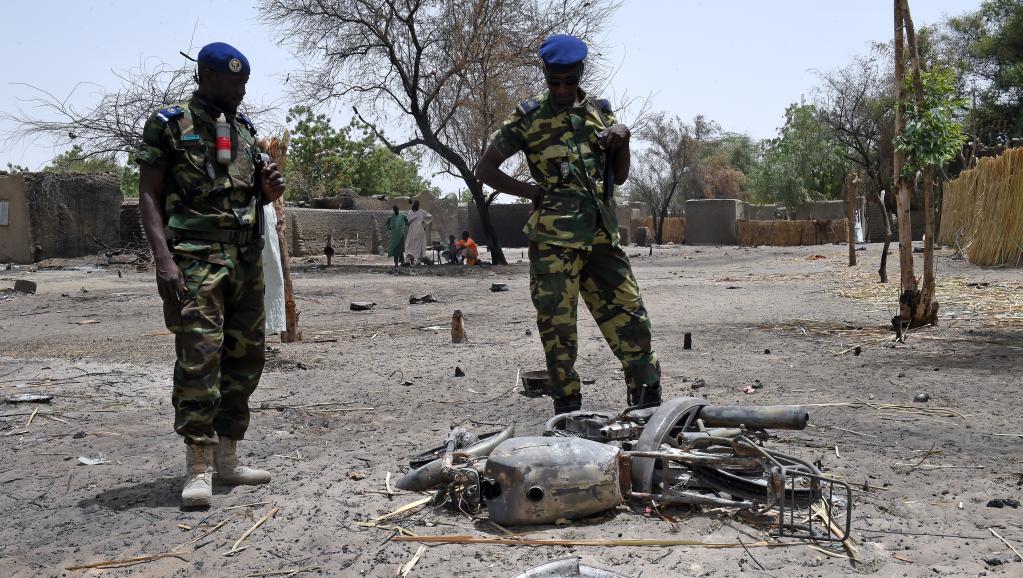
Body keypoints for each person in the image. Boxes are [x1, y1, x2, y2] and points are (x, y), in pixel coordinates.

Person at [475, 34, 661, 415]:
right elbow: (485, 169)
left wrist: (622, 137)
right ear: (545, 75)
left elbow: (619, 177)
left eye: (569, 81)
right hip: (554, 243)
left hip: (601, 238)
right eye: (554, 82)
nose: (561, 89)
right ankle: (568, 411)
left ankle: (645, 401)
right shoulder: (528, 117)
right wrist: (531, 191)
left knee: (631, 317)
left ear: (580, 74)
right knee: (558, 332)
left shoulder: (600, 114)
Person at [136, 42, 286, 507]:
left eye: (244, 83)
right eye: (233, 82)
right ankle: (198, 466)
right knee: (200, 359)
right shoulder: (170, 124)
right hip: (195, 261)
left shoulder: (244, 128)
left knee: (246, 358)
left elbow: (245, 200)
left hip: (244, 261)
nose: (241, 91)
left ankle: (227, 458)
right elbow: (148, 193)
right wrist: (164, 260)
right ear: (206, 77)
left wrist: (266, 191)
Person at [403, 199, 432, 265]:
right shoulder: (411, 211)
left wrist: (423, 221)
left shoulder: (421, 211)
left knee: (418, 245)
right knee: (409, 245)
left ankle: (418, 261)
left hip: (419, 230)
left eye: (416, 204)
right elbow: (409, 220)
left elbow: (430, 217)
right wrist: (414, 212)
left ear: (418, 205)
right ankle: (408, 261)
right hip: (413, 230)